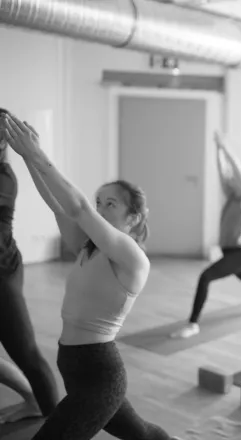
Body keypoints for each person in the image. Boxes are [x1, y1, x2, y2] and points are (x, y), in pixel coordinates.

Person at [0, 113, 179, 440]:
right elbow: (59, 206)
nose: (100, 208)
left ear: (132, 218)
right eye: (99, 202)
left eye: (111, 204)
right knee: (142, 434)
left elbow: (78, 208)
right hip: (75, 368)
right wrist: (27, 157)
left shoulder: (132, 258)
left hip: (100, 376)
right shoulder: (88, 247)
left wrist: (38, 154)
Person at [171, 133, 241, 339]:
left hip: (238, 254)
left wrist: (226, 148)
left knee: (205, 278)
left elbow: (237, 171)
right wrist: (218, 149)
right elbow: (223, 173)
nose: (236, 178)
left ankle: (193, 324)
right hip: (232, 253)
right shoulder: (233, 195)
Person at [0, 107, 59, 424]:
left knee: (26, 353)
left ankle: (53, 418)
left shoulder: (4, 178)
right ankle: (33, 399)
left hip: (2, 274)